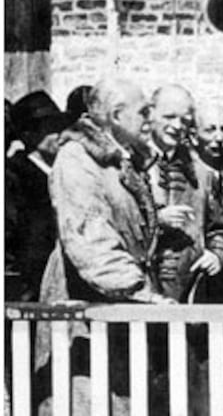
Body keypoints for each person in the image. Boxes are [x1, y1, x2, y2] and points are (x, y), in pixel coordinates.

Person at [36, 77, 175, 416]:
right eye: (143, 112)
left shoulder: (123, 161)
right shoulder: (77, 159)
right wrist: (142, 292)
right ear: (115, 114)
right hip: (83, 315)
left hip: (118, 315)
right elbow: (89, 238)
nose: (150, 119)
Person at [147, 85, 223, 303]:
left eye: (184, 120)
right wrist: (156, 221)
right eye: (169, 117)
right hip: (140, 294)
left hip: (188, 293)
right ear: (150, 114)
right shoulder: (128, 163)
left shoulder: (201, 174)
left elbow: (221, 231)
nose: (177, 126)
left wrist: (217, 254)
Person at [6, 91, 71, 301]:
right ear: (29, 135)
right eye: (49, 128)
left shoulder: (65, 173)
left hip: (64, 283)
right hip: (31, 289)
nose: (59, 134)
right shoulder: (14, 177)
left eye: (60, 126)